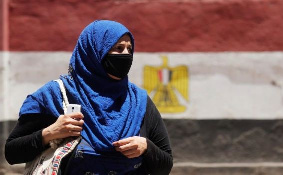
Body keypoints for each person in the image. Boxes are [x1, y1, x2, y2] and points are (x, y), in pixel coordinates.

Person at [5, 20, 173, 175]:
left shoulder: (138, 101)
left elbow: (165, 165)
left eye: (130, 49)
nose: (126, 55)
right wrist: (50, 133)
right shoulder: (54, 95)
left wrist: (147, 148)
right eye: (118, 48)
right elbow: (12, 153)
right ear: (95, 51)